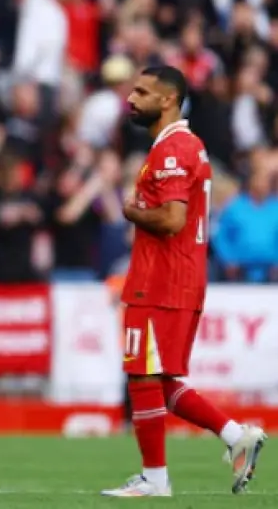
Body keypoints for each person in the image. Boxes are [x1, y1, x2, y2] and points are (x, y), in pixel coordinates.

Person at [101, 66, 266, 498]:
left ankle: (155, 479)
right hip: (178, 278)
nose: (131, 98)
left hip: (162, 280)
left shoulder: (173, 150)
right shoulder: (182, 146)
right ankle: (236, 437)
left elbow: (172, 219)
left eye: (142, 92)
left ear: (168, 100)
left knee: (142, 376)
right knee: (163, 378)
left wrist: (132, 211)